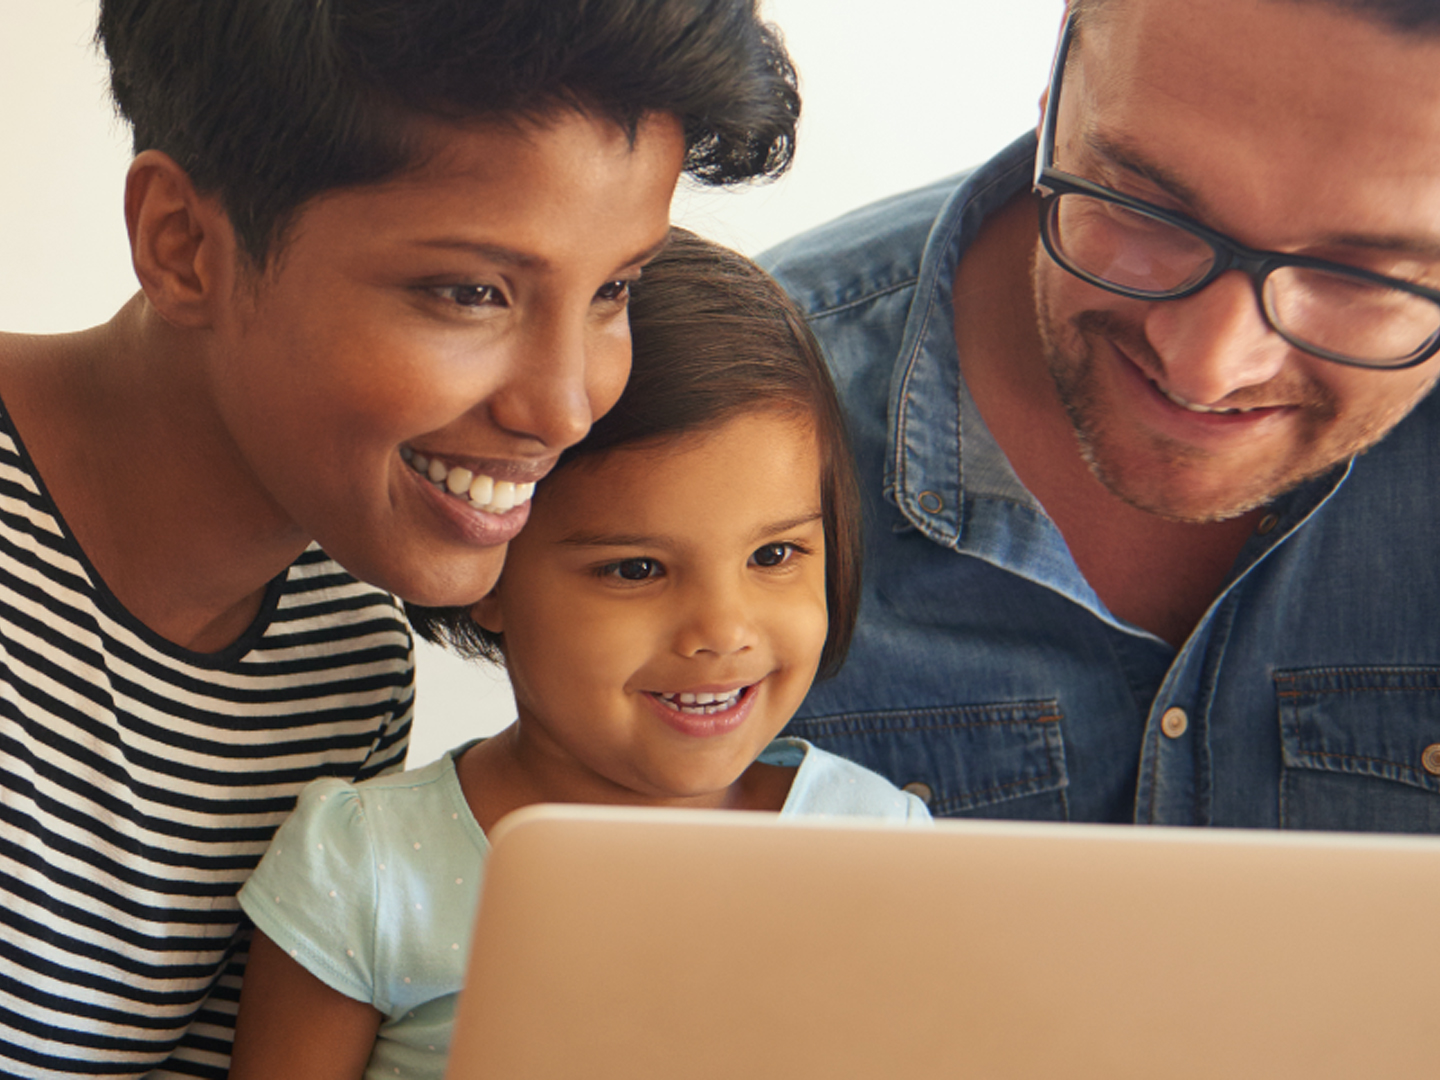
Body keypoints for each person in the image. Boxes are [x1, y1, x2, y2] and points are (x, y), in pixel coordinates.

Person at [0, 3, 799, 1076]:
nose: (566, 407)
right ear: (184, 245)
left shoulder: (344, 656)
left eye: (614, 289)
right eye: (471, 293)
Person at [225, 228, 930, 1080]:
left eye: (774, 556)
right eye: (636, 568)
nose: (722, 630)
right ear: (489, 566)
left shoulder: (881, 844)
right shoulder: (366, 868)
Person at [760, 0, 1440, 830]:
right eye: (1144, 207)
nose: (1207, 366)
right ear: (1058, 88)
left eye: (1359, 278)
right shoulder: (708, 407)